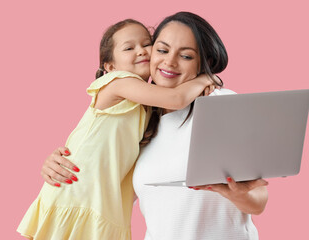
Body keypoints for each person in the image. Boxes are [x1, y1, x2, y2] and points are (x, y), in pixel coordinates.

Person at [41, 12, 269, 240]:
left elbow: (258, 201)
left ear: (205, 62)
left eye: (187, 56)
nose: (169, 62)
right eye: (161, 50)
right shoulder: (139, 123)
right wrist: (60, 165)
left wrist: (238, 194)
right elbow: (107, 183)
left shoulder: (221, 105)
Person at [17, 19, 217, 240]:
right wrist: (205, 78)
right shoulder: (117, 83)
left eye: (146, 44)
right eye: (129, 48)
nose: (141, 51)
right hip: (77, 196)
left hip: (104, 206)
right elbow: (177, 98)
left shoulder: (147, 108)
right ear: (110, 67)